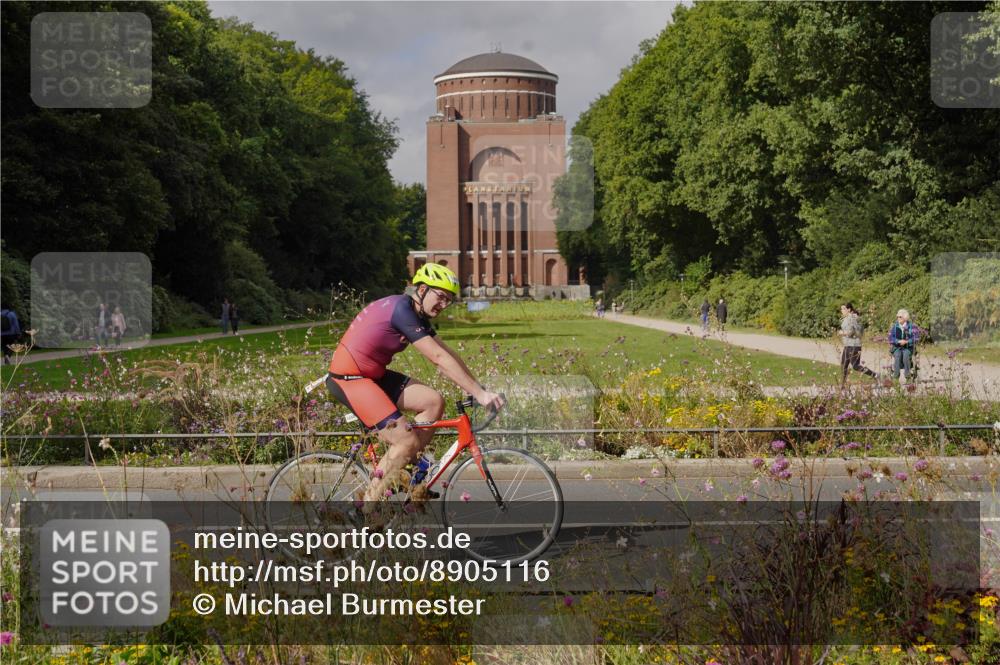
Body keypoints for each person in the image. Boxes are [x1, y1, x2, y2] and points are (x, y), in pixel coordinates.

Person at [326, 263, 504, 503]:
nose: (443, 304)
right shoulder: (402, 311)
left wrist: (475, 387)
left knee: (433, 401)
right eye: (440, 296)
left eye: (449, 300)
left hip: (373, 375)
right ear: (421, 289)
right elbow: (438, 359)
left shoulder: (415, 312)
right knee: (406, 440)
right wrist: (480, 395)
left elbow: (446, 352)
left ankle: (408, 475)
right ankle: (368, 507)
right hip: (350, 379)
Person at [838, 302, 877, 386]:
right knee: (844, 364)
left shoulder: (851, 318)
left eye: (843, 309)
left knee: (855, 366)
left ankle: (875, 375)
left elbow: (850, 332)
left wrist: (842, 332)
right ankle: (842, 385)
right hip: (848, 345)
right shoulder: (853, 317)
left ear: (849, 309)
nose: (841, 310)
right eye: (841, 309)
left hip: (854, 345)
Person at [888, 309, 919, 384]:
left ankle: (908, 377)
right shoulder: (894, 326)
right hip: (897, 347)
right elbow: (890, 338)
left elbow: (916, 338)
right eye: (897, 317)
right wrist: (898, 341)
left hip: (908, 347)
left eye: (900, 317)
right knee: (897, 355)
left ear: (905, 318)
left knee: (906, 356)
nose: (898, 318)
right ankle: (895, 377)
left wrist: (907, 341)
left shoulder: (912, 326)